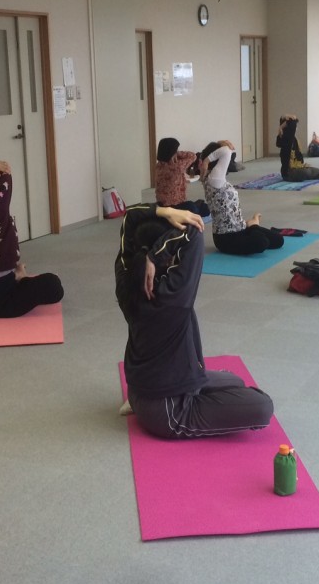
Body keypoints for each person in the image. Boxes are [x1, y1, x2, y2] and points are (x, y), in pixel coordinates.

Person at [114, 204, 274, 438]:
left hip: (141, 388)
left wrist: (163, 214)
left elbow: (129, 218)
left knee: (235, 380)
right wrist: (155, 254)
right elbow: (194, 232)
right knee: (263, 406)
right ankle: (153, 408)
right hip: (168, 410)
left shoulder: (125, 280)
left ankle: (140, 403)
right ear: (165, 257)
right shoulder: (171, 294)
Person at [0, 158, 64, 317]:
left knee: (42, 284)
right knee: (54, 285)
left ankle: (19, 276)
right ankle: (21, 276)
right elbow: (5, 175)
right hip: (1, 301)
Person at [199, 141, 286, 255]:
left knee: (278, 240)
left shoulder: (215, 178)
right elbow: (226, 151)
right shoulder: (214, 179)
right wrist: (207, 160)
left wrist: (220, 143)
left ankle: (252, 225)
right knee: (261, 243)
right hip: (226, 238)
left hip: (240, 228)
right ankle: (253, 225)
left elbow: (225, 150)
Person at [154, 136, 213, 214]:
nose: (178, 152)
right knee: (199, 208)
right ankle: (198, 205)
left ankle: (198, 204)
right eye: (176, 151)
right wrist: (177, 153)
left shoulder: (159, 165)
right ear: (172, 152)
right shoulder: (176, 167)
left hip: (161, 205)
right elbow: (193, 156)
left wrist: (173, 154)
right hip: (175, 206)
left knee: (194, 206)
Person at [276, 115, 319, 181]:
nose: (296, 128)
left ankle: (303, 175)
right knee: (306, 173)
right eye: (295, 126)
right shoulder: (286, 138)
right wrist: (281, 127)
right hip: (288, 172)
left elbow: (300, 159)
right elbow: (292, 122)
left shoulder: (294, 139)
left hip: (297, 167)